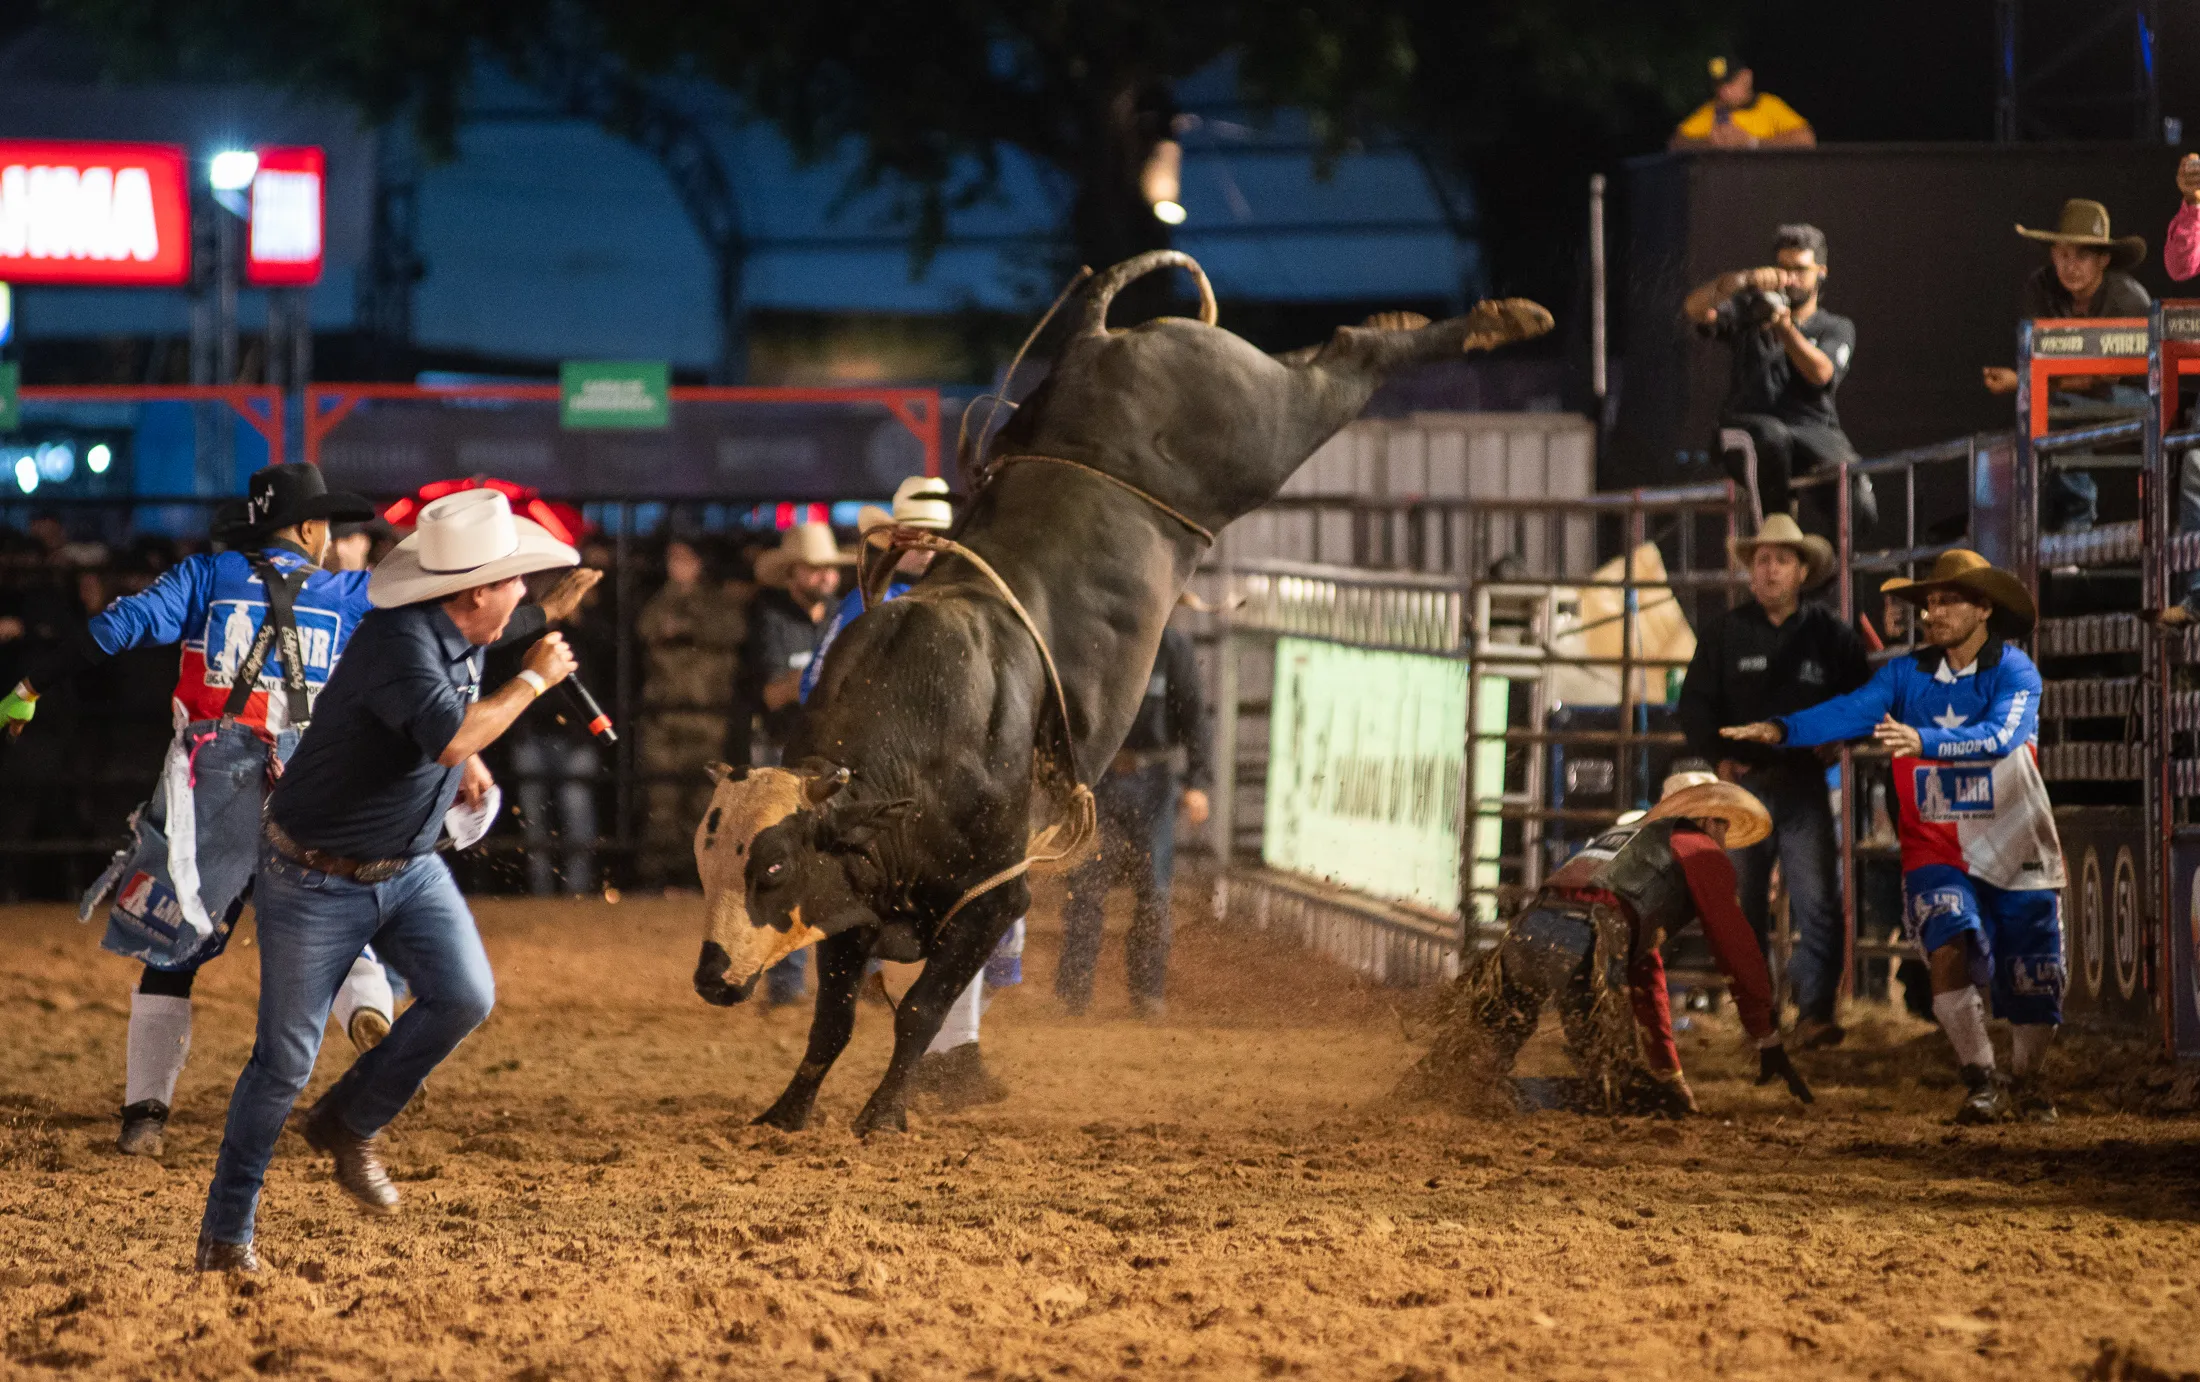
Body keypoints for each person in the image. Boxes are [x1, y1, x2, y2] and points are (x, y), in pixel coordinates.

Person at [195, 488, 581, 1273]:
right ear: (474, 592)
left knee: (466, 995)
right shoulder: (398, 641)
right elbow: (449, 731)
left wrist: (468, 750)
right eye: (514, 584)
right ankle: (226, 1233)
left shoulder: (457, 632)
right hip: (314, 878)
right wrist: (531, 685)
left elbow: (443, 726)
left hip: (404, 865)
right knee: (284, 1061)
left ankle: (348, 1121)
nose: (524, 600)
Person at [0, 464, 403, 1158]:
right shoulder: (345, 593)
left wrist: (33, 683)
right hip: (309, 787)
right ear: (308, 529)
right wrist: (538, 618)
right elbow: (438, 614)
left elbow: (116, 629)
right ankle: (365, 1005)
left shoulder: (204, 579)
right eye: (327, 525)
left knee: (172, 950)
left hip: (209, 791)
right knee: (333, 917)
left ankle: (144, 1119)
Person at [1722, 550, 2063, 1124]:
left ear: (1983, 609)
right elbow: (1852, 712)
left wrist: (1923, 742)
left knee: (2034, 975)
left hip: (2014, 839)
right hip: (1936, 844)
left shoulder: (2015, 672)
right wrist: (1783, 728)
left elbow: (2003, 736)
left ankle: (2025, 1080)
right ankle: (1979, 1076)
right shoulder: (1907, 675)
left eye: (1947, 600)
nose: (1933, 612)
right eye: (1929, 602)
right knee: (1945, 940)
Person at [798, 477, 1018, 1107]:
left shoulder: (936, 608)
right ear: (896, 540)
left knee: (983, 910)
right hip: (885, 794)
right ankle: (945, 1048)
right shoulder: (880, 608)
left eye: (935, 536)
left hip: (937, 793)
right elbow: (821, 692)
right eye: (915, 536)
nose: (925, 545)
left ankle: (949, 1046)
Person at [1431, 767, 1812, 1116]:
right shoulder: (1698, 849)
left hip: (1527, 933)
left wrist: (1669, 1072)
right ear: (1709, 820)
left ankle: (1418, 1099)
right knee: (1622, 1092)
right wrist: (1766, 1036)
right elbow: (1735, 946)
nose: (1724, 841)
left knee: (1473, 1052)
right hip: (1586, 943)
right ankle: (1511, 1099)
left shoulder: (1625, 845)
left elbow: (1643, 969)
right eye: (1723, 828)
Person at [1677, 514, 1872, 1048]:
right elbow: (1693, 704)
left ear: (1801, 570)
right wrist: (1720, 758)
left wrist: (1842, 738)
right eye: (1761, 560)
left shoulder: (1829, 636)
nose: (1768, 570)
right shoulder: (1727, 633)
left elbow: (1866, 698)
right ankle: (1759, 1018)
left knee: (1817, 901)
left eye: (1780, 560)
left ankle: (1813, 1011)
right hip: (1745, 785)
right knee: (1744, 909)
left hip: (1803, 781)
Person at [1054, 614, 1212, 1021]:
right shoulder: (1098, 642)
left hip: (1153, 781)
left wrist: (1198, 782)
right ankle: (1073, 995)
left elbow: (1194, 716)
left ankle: (1146, 993)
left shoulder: (1172, 648)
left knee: (1154, 893)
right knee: (1085, 889)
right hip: (1099, 781)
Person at [1682, 223, 1869, 533]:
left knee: (1858, 503)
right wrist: (1737, 282)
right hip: (1750, 426)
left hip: (1811, 429)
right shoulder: (1749, 309)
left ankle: (1821, 576)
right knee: (1771, 440)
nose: (1790, 278)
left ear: (1821, 272)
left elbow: (1821, 374)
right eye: (1783, 268)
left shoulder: (1835, 327)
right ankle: (1774, 548)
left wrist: (1784, 328)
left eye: (1800, 269)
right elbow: (1695, 310)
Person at [1981, 198, 2151, 535]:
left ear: (2103, 260)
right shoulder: (2040, 289)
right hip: (2070, 399)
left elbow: (2104, 377)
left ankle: (2076, 523)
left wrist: (2022, 383)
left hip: (2138, 401)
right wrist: (2030, 383)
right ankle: (2046, 529)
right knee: (2045, 413)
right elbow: (2039, 362)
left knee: (2057, 408)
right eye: (2063, 255)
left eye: (2082, 256)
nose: (2069, 266)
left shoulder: (2129, 300)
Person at [736, 521, 851, 1006]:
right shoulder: (768, 620)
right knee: (785, 866)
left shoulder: (839, 619)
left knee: (844, 864)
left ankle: (853, 974)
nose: (825, 577)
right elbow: (769, 692)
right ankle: (785, 984)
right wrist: (827, 670)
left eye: (828, 569)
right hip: (783, 757)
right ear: (792, 575)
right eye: (815, 569)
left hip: (830, 758)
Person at [637, 538, 744, 885]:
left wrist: (689, 622)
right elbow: (645, 627)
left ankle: (698, 878)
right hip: (664, 719)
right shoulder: (659, 602)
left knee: (704, 803)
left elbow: (732, 630)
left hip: (706, 719)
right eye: (672, 558)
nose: (677, 566)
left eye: (685, 559)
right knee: (661, 804)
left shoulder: (718, 604)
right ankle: (658, 881)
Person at [1668, 56, 1815, 151]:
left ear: (1747, 77)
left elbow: (1806, 139)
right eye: (1718, 86)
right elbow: (1675, 144)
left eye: (1730, 83)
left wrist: (1751, 142)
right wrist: (1708, 144)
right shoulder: (1713, 109)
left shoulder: (1768, 105)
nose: (1723, 92)